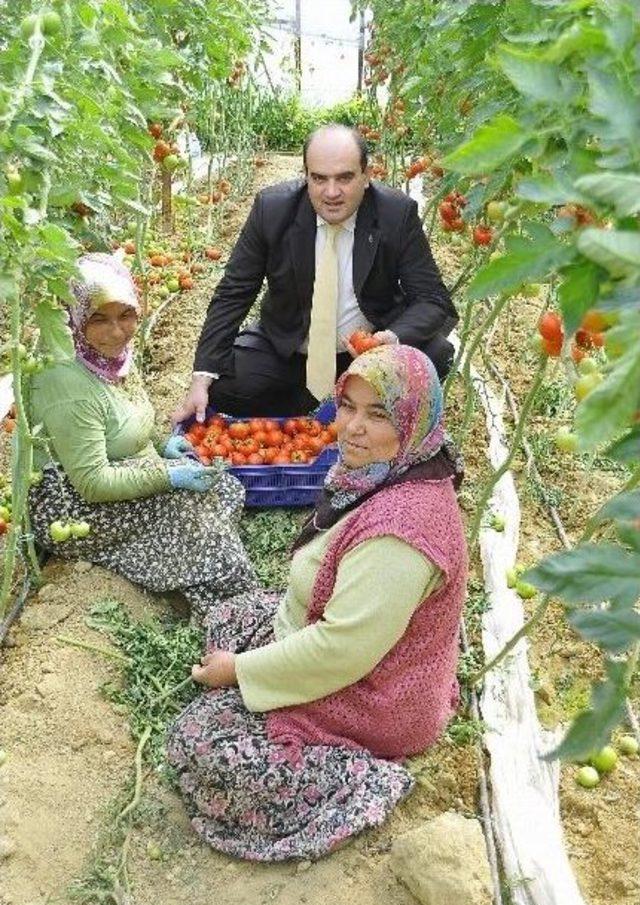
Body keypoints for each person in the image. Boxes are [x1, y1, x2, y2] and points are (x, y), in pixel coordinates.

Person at [167, 344, 468, 862]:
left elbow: (339, 649)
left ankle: (364, 777)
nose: (351, 427)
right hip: (370, 653)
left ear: (413, 422)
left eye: (377, 414)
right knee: (230, 614)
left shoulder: (401, 535)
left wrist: (237, 671)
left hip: (376, 693)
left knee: (204, 744)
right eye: (347, 407)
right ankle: (267, 670)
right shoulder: (390, 471)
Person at [172, 124, 458, 423]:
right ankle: (324, 407)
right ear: (305, 175)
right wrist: (201, 377)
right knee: (222, 386)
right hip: (289, 348)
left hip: (367, 357)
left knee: (434, 355)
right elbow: (234, 292)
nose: (331, 192)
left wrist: (392, 338)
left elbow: (432, 299)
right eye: (319, 179)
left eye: (345, 178)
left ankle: (346, 406)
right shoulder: (272, 210)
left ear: (366, 175)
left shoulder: (395, 214)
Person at [28, 253, 256, 620]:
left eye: (126, 315)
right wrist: (168, 475)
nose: (116, 332)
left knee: (222, 489)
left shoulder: (109, 356)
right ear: (75, 318)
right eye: (98, 318)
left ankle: (194, 575)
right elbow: (93, 483)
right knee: (188, 516)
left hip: (122, 466)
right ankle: (231, 619)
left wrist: (162, 442)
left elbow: (128, 409)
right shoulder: (67, 382)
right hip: (72, 502)